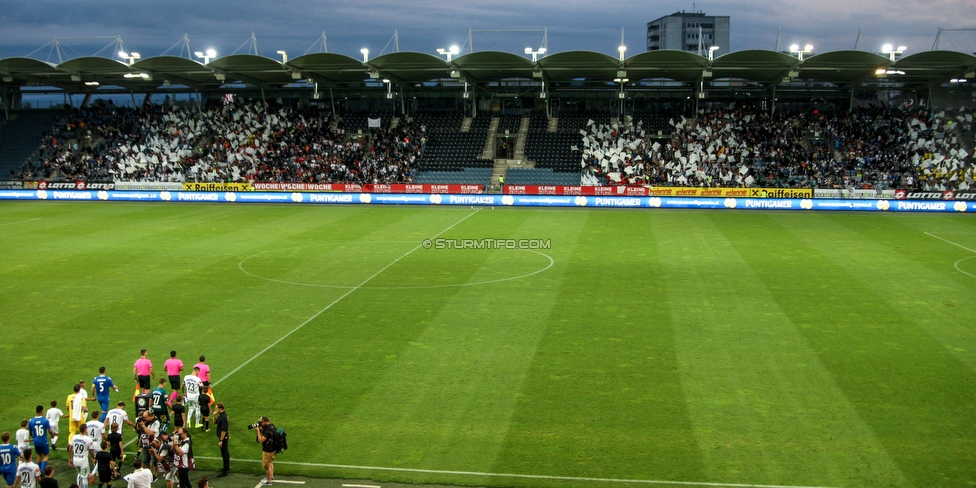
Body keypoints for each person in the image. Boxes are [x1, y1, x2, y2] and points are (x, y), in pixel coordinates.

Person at [68, 424, 94, 488]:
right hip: (83, 461)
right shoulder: (89, 439)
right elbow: (91, 451)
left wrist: (70, 458)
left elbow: (70, 448)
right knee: (84, 477)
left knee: (79, 474)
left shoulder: (74, 437)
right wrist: (94, 457)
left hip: (75, 460)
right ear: (85, 430)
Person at [27, 406, 52, 472]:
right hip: (43, 441)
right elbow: (50, 430)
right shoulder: (45, 420)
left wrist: (33, 437)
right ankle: (41, 470)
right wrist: (52, 435)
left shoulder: (31, 421)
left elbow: (30, 432)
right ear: (41, 411)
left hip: (36, 441)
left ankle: (39, 470)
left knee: (39, 455)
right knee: (46, 455)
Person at [255, 417, 275, 486]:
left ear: (267, 422)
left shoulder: (267, 431)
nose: (261, 423)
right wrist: (261, 430)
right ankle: (271, 477)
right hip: (272, 449)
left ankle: (269, 481)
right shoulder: (271, 426)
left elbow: (261, 440)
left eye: (262, 422)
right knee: (270, 462)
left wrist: (258, 431)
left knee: (266, 466)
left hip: (268, 450)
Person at [213, 404, 229, 477]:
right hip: (224, 437)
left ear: (220, 408)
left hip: (223, 438)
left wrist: (221, 440)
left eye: (216, 408)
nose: (215, 409)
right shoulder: (222, 415)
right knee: (226, 453)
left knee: (224, 454)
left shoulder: (223, 417)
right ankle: (226, 467)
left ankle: (225, 471)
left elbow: (223, 430)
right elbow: (214, 422)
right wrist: (214, 416)